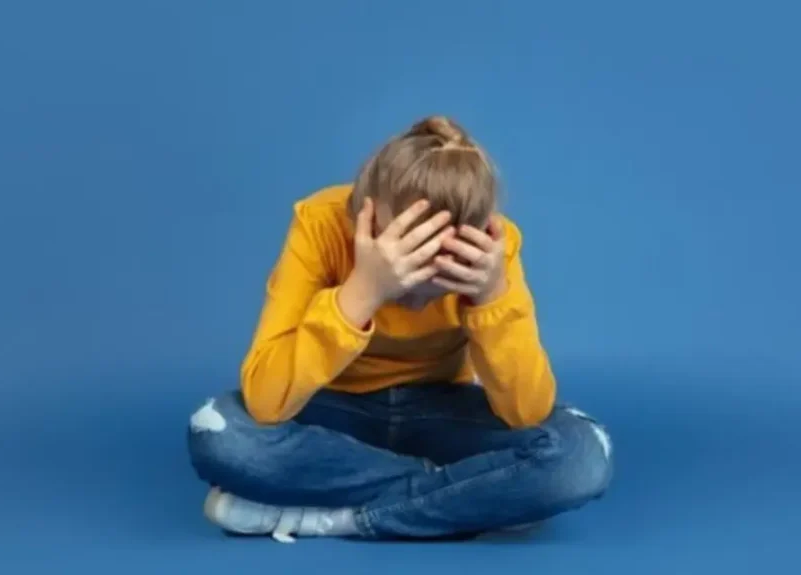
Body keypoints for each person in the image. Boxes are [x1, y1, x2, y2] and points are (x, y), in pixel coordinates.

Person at [186, 115, 613, 542]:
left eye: (441, 274)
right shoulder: (320, 224)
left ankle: (342, 518)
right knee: (219, 433)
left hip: (440, 410)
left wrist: (491, 295)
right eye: (406, 266)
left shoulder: (494, 250)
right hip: (333, 408)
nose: (416, 299)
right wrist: (365, 290)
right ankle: (472, 494)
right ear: (365, 220)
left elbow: (526, 412)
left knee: (582, 457)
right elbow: (265, 401)